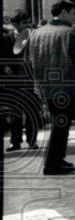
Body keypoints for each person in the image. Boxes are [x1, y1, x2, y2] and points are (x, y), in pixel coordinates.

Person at [27, 0, 75, 175]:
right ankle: (52, 164)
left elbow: (29, 60)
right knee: (61, 124)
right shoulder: (70, 33)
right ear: (64, 12)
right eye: (73, 13)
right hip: (66, 85)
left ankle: (58, 160)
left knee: (58, 123)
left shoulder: (37, 32)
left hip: (44, 85)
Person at [1, 10, 40, 151]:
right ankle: (15, 142)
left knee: (33, 111)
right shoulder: (6, 38)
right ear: (14, 24)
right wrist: (4, 66)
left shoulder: (35, 37)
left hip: (31, 79)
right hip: (13, 80)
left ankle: (32, 140)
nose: (28, 25)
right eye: (24, 22)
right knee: (14, 111)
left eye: (29, 22)